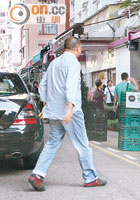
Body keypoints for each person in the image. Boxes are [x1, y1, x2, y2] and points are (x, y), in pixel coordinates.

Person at [28, 36, 107, 191]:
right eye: (81, 48)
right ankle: (91, 178)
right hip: (70, 112)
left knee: (52, 143)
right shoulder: (73, 62)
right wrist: (70, 108)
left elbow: (43, 85)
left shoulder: (53, 63)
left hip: (54, 112)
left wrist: (45, 105)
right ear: (77, 48)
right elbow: (70, 85)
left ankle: (37, 175)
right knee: (82, 145)